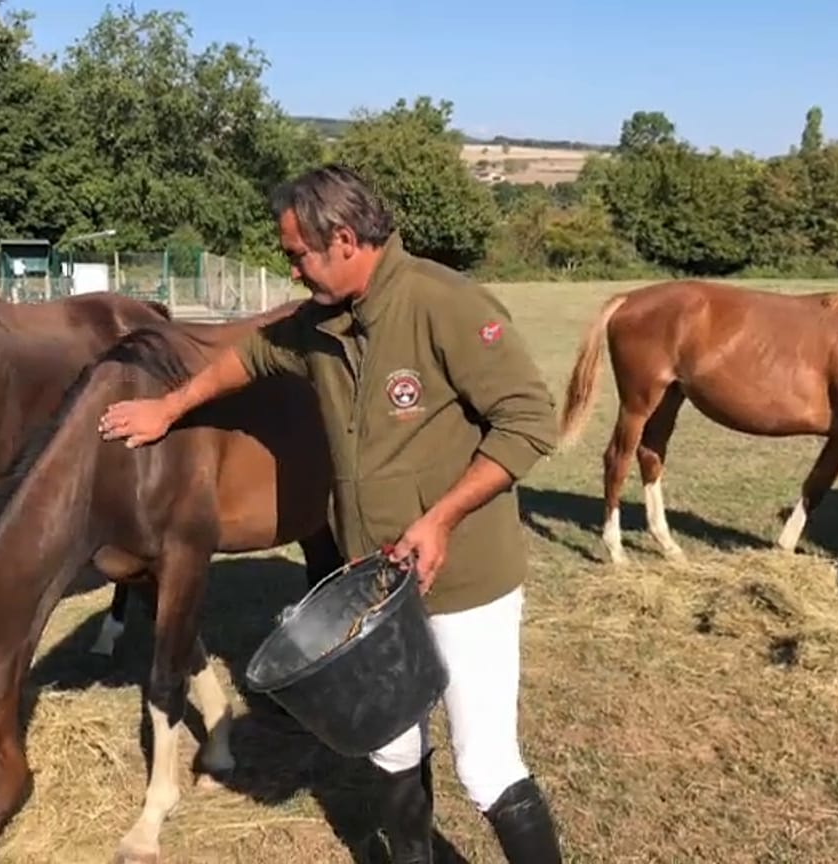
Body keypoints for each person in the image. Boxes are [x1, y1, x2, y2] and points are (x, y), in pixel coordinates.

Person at [97, 164, 564, 863]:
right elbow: (248, 356)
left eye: (297, 255)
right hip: (373, 589)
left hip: (466, 580)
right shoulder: (320, 324)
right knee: (394, 746)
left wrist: (439, 520)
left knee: (485, 764)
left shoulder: (445, 304)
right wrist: (169, 406)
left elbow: (529, 423)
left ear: (344, 239)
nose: (293, 270)